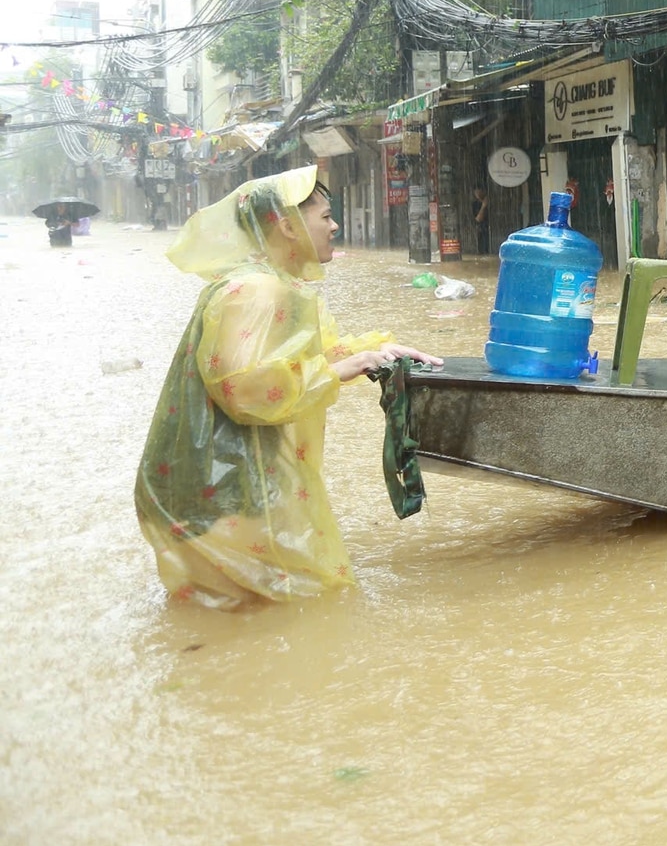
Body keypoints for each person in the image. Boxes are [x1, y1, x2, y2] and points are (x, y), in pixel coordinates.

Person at [134, 166, 441, 609]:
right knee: (304, 607)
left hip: (217, 491)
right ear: (286, 225)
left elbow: (305, 357)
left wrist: (378, 349)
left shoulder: (266, 283)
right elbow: (247, 390)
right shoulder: (258, 291)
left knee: (247, 619)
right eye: (325, 216)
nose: (335, 227)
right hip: (227, 494)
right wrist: (346, 367)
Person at [472, 187, 490, 255]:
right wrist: (483, 206)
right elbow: (478, 219)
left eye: (479, 191)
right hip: (481, 229)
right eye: (476, 192)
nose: (477, 194)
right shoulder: (475, 204)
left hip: (490, 229)